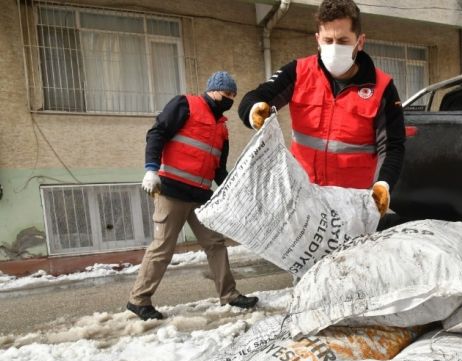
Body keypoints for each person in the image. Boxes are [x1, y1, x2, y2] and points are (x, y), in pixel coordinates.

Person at [237, 0, 405, 217]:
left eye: (343, 41)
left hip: (353, 207)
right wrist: (254, 110)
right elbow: (254, 98)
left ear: (360, 42)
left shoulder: (382, 88)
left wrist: (383, 184)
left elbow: (392, 147)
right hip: (303, 200)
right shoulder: (298, 73)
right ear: (318, 40)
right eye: (328, 40)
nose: (334, 47)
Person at [127, 71, 258, 321]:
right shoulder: (185, 104)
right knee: (163, 248)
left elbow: (219, 169)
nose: (230, 99)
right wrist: (151, 169)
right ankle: (139, 300)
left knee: (215, 244)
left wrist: (232, 191)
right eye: (226, 93)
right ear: (212, 90)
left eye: (233, 95)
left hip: (201, 196)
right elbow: (157, 133)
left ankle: (229, 294)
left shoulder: (222, 128)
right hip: (172, 191)